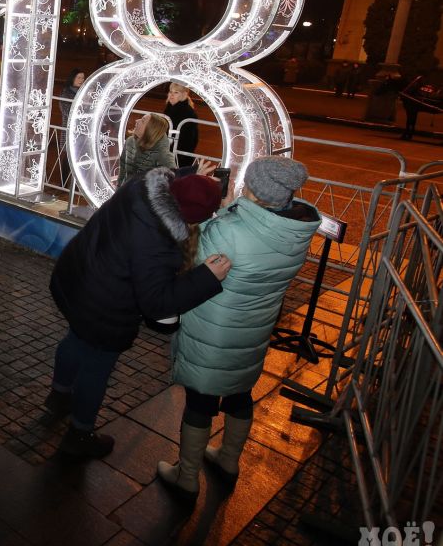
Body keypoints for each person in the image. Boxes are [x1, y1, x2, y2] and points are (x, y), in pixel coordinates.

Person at [158, 157, 318, 498]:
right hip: (254, 328)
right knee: (240, 393)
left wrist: (220, 210)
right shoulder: (296, 228)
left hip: (214, 329)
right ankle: (229, 459)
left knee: (201, 401)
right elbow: (256, 245)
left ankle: (186, 477)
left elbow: (192, 260)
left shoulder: (229, 230)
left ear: (256, 192)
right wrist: (237, 207)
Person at [48, 168, 231, 458]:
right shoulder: (159, 242)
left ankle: (59, 395)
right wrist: (206, 277)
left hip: (77, 278)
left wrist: (191, 176)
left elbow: (169, 183)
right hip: (104, 307)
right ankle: (79, 434)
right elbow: (157, 302)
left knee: (75, 339)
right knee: (97, 367)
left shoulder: (138, 188)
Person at [117, 112, 176, 186]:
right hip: (126, 192)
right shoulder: (130, 142)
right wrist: (118, 191)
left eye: (142, 120)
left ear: (151, 129)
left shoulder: (163, 155)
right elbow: (123, 171)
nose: (137, 121)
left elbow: (172, 183)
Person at [58, 69, 86, 180]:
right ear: (72, 78)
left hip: (82, 129)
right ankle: (63, 181)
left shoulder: (84, 93)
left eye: (83, 78)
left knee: (80, 156)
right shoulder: (66, 93)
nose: (81, 80)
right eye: (78, 77)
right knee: (68, 155)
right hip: (70, 129)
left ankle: (77, 183)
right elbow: (66, 111)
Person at [163, 83, 199, 168]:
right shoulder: (170, 108)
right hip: (169, 153)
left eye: (176, 92)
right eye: (170, 91)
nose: (171, 95)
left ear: (184, 95)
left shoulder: (188, 112)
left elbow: (190, 141)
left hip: (179, 159)